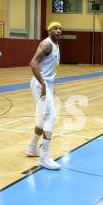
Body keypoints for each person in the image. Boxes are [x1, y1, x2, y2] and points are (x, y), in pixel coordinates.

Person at [25, 22, 62, 170]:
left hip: (46, 84)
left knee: (42, 118)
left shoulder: (56, 45)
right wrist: (44, 85)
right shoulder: (46, 44)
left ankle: (32, 148)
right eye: (55, 28)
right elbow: (33, 64)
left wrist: (50, 86)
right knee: (51, 117)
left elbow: (49, 69)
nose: (58, 30)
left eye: (60, 28)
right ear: (49, 30)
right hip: (41, 84)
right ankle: (44, 157)